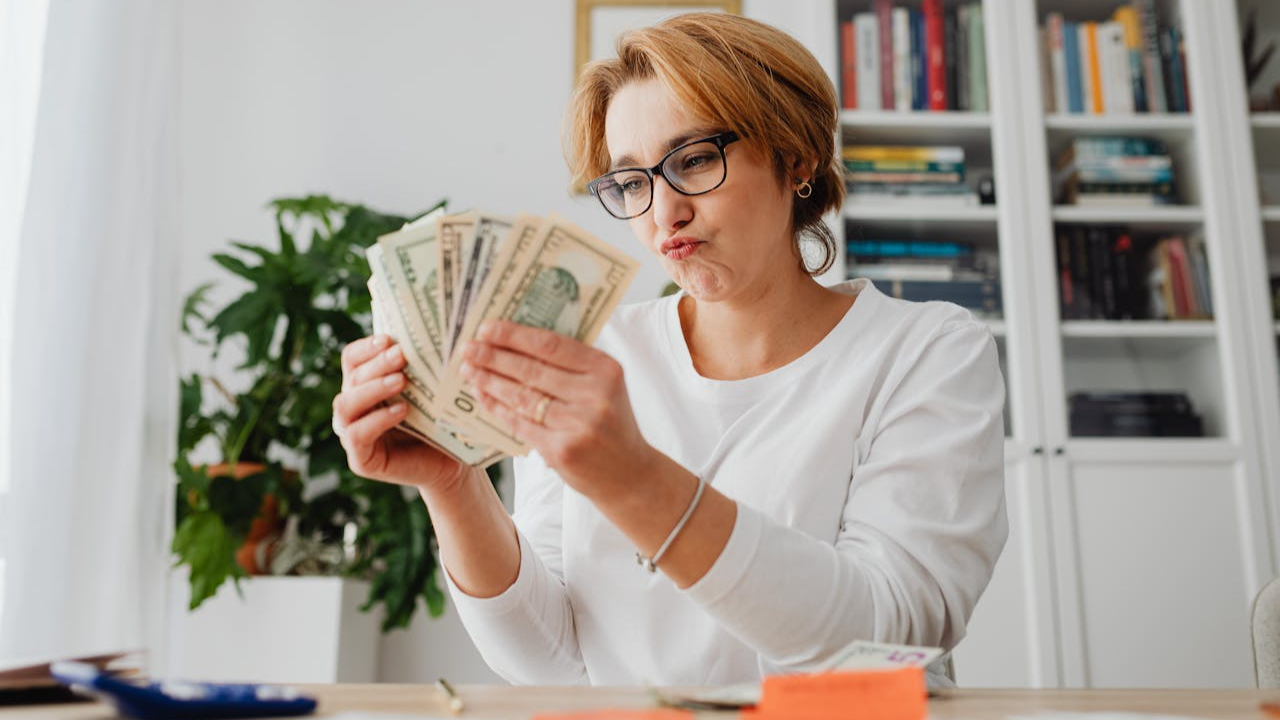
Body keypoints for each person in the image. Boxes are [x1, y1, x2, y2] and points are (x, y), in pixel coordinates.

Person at [331, 12, 1006, 687]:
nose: (662, 213)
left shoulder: (928, 353)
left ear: (795, 157)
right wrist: (452, 486)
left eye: (694, 160)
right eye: (631, 182)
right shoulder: (593, 354)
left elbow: (893, 633)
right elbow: (549, 659)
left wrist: (632, 478)